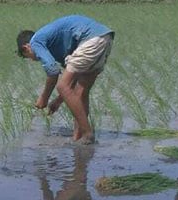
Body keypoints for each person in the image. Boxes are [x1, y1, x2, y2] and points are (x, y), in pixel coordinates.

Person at [16, 15, 115, 144]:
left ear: (26, 48)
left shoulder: (36, 42)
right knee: (81, 91)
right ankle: (78, 138)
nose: (33, 59)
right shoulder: (56, 47)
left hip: (91, 39)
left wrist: (44, 98)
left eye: (28, 56)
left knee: (62, 86)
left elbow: (53, 72)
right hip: (105, 37)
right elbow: (72, 81)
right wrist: (57, 101)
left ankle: (87, 133)